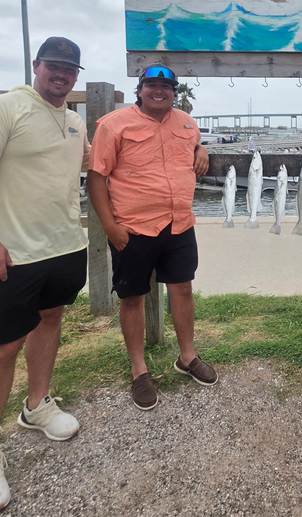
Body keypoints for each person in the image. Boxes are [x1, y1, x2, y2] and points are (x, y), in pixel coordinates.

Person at [0, 37, 89, 517]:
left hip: (65, 247)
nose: (62, 75)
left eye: (70, 70)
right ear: (37, 65)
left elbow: (88, 169)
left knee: (50, 320)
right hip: (10, 255)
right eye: (54, 66)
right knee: (1, 348)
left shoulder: (74, 121)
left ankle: (37, 405)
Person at [87, 64, 217, 411]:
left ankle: (187, 357)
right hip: (133, 228)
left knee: (183, 289)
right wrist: (109, 226)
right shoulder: (114, 125)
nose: (159, 91)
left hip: (179, 224)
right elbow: (96, 178)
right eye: (151, 85)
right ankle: (139, 369)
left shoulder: (187, 123)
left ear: (174, 91)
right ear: (140, 89)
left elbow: (192, 147)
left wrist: (202, 147)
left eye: (166, 86)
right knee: (132, 298)